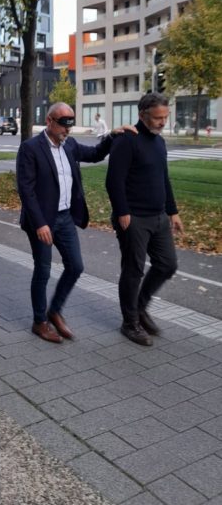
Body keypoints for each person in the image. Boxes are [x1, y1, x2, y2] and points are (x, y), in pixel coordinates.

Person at [16, 102, 135, 344]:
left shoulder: (69, 144)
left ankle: (55, 310)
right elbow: (26, 190)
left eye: (70, 124)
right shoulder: (31, 148)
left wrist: (112, 136)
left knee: (76, 266)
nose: (68, 130)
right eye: (63, 125)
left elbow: (94, 154)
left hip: (65, 217)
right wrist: (39, 224)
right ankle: (40, 322)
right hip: (42, 222)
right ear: (49, 121)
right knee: (43, 270)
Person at [106, 92, 184, 347]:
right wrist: (122, 212)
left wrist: (173, 211)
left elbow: (164, 178)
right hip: (134, 218)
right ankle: (129, 323)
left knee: (167, 264)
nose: (162, 122)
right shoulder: (127, 140)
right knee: (133, 270)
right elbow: (113, 181)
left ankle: (139, 307)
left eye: (165, 117)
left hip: (159, 216)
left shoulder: (159, 142)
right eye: (157, 118)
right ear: (142, 115)